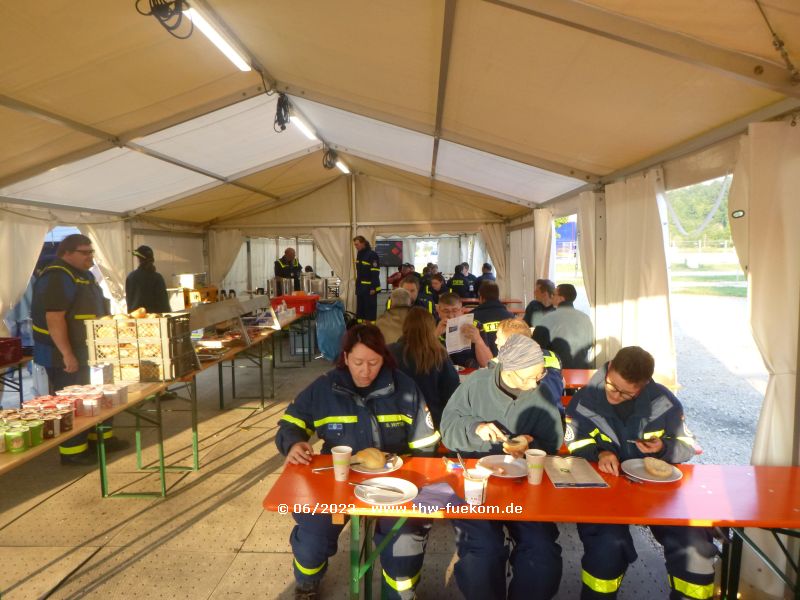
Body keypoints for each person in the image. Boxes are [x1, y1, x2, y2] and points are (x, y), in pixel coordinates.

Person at [276, 325, 440, 600]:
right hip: (337, 480)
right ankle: (307, 582)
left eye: (373, 363)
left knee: (405, 540)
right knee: (313, 533)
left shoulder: (405, 389)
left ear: (384, 359)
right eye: (358, 362)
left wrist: (415, 485)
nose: (365, 370)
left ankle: (399, 593)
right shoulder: (324, 388)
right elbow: (291, 423)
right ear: (345, 357)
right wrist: (293, 443)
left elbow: (426, 445)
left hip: (395, 484)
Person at [565, 346, 716, 600]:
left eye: (627, 393)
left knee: (695, 547)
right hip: (607, 490)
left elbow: (688, 445)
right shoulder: (585, 400)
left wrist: (663, 448)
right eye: (613, 387)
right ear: (609, 368)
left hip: (658, 492)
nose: (616, 396)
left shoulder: (663, 402)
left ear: (644, 385)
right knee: (607, 548)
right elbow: (574, 442)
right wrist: (598, 453)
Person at [440, 335, 564, 600]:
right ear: (508, 370)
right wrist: (476, 428)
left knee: (541, 551)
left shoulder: (539, 392)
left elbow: (553, 440)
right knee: (482, 552)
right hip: (476, 482)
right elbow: (448, 429)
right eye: (528, 378)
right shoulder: (476, 384)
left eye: (539, 375)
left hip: (523, 486)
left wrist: (531, 443)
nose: (534, 385)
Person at [31, 234, 126, 465]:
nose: (90, 256)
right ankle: (73, 452)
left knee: (95, 398)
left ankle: (100, 439)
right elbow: (54, 318)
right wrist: (67, 354)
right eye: (85, 252)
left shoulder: (83, 275)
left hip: (89, 352)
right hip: (64, 355)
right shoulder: (57, 276)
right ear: (66, 253)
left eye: (91, 252)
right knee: (72, 402)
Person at [389, 307, 460, 429]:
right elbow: (452, 391)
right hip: (433, 420)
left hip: (397, 419)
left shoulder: (390, 352)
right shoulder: (439, 354)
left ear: (405, 326)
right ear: (430, 327)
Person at [533, 283, 594, 368]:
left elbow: (537, 345)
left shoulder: (547, 319)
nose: (551, 296)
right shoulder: (585, 318)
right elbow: (589, 344)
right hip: (582, 368)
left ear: (561, 299)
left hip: (557, 370)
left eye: (553, 294)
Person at [435, 292, 492, 369]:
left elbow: (487, 364)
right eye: (446, 311)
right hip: (443, 374)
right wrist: (435, 335)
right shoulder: (432, 326)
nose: (451, 316)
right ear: (438, 311)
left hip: (471, 374)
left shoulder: (475, 325)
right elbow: (421, 360)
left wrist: (478, 340)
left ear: (461, 310)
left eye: (455, 310)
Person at [471, 281, 514, 357]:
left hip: (480, 364)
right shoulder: (510, 317)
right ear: (497, 296)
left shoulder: (471, 318)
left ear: (480, 297)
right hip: (507, 362)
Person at [125, 245, 171, 313]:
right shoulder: (157, 278)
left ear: (138, 259)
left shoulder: (131, 277)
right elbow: (164, 303)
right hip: (155, 319)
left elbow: (129, 301)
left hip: (136, 318)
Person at [353, 236, 381, 323]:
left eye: (357, 244)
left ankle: (370, 330)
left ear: (363, 243)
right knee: (360, 311)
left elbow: (375, 272)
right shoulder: (359, 254)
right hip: (360, 288)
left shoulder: (372, 255)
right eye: (355, 245)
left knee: (370, 311)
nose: (356, 246)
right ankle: (360, 329)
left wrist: (373, 287)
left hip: (369, 289)